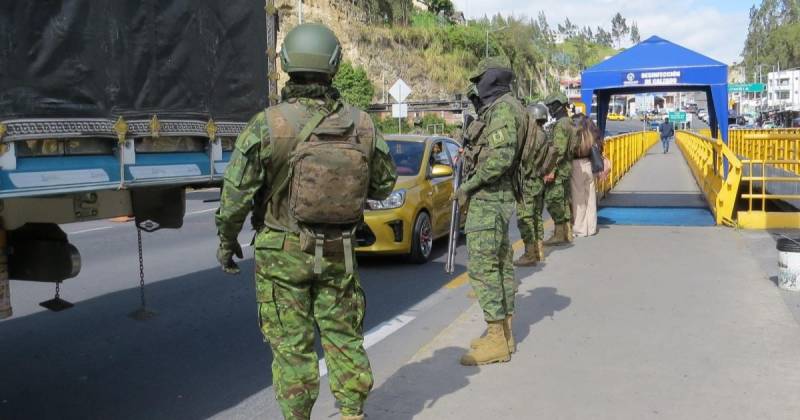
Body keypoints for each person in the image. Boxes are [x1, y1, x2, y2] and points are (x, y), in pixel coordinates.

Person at [215, 23, 397, 420]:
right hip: (339, 253)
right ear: (334, 64)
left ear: (284, 64)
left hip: (282, 255)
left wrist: (227, 243)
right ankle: (352, 413)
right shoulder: (362, 124)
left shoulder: (268, 124)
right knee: (344, 336)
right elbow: (384, 185)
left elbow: (234, 199)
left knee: (292, 348)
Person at [452, 56, 524, 366]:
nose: (476, 86)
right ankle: (504, 334)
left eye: (480, 80)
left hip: (490, 198)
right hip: (496, 198)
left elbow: (500, 159)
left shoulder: (504, 109)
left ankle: (497, 338)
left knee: (483, 269)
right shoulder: (505, 107)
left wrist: (467, 187)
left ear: (492, 79)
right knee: (499, 264)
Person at [514, 103, 552, 266]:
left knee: (525, 219)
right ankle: (539, 250)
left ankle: (529, 254)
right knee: (536, 217)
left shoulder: (531, 136)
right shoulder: (544, 134)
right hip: (538, 181)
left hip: (528, 182)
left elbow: (523, 160)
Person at [542, 93, 577, 246]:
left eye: (550, 106)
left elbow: (559, 151)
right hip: (567, 168)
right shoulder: (569, 123)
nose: (549, 110)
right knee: (564, 201)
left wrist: (551, 170)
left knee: (554, 202)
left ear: (557, 106)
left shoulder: (561, 125)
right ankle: (567, 232)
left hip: (559, 169)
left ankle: (559, 234)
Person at [570, 115, 603, 237]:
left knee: (579, 198)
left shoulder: (577, 134)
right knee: (590, 198)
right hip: (590, 165)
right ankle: (592, 227)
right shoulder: (590, 133)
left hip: (577, 165)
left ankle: (580, 229)